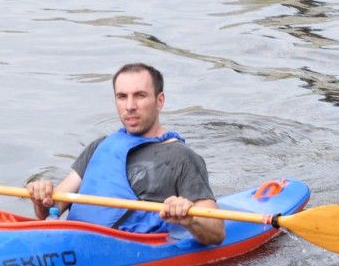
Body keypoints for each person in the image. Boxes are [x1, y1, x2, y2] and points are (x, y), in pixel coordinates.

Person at [26, 63, 225, 245]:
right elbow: (51, 210)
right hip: (73, 243)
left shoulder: (182, 158)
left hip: (129, 253)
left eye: (140, 95)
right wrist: (41, 197)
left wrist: (190, 218)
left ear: (159, 101)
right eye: (122, 97)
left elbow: (216, 232)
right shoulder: (100, 146)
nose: (130, 106)